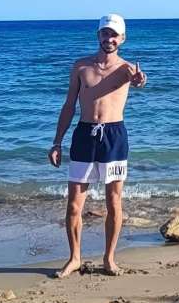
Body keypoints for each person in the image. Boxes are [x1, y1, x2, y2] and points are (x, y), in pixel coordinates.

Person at [48, 14, 147, 278]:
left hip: (114, 136)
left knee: (114, 201)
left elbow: (140, 80)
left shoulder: (127, 69)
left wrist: (140, 80)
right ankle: (74, 258)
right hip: (84, 135)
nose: (109, 38)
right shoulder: (81, 67)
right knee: (73, 205)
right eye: (105, 33)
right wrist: (57, 142)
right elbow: (69, 105)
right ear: (98, 35)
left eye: (114, 34)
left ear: (122, 38)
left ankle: (109, 258)